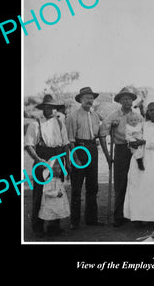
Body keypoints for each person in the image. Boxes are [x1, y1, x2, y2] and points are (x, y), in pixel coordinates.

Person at [25, 94, 70, 238]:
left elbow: (66, 144)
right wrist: (38, 160)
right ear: (43, 107)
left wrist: (67, 164)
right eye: (47, 106)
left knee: (57, 192)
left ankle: (54, 226)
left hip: (58, 162)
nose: (50, 109)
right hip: (42, 161)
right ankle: (38, 227)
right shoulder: (36, 124)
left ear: (56, 109)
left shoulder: (60, 123)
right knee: (40, 193)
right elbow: (28, 145)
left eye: (53, 107)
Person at [99, 87, 143, 227]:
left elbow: (145, 132)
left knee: (137, 181)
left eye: (129, 98)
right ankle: (118, 215)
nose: (127, 101)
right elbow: (102, 134)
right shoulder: (113, 115)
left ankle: (135, 214)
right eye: (124, 99)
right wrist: (107, 155)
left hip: (136, 149)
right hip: (121, 149)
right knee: (120, 183)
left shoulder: (137, 116)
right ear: (119, 101)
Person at [123, 102, 154, 225]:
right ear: (147, 112)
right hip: (140, 157)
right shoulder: (143, 124)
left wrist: (144, 142)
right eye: (150, 110)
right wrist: (132, 143)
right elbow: (134, 134)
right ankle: (139, 216)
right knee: (139, 186)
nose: (152, 112)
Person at [66, 87, 105, 229]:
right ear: (80, 99)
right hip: (79, 148)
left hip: (92, 149)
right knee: (76, 187)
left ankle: (91, 219)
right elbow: (70, 140)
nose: (89, 100)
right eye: (86, 98)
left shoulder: (95, 116)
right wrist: (75, 158)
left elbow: (100, 133)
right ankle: (74, 221)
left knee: (92, 186)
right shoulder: (73, 116)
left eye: (91, 98)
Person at [38, 159, 70, 236]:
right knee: (51, 215)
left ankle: (57, 228)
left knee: (57, 214)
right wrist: (56, 193)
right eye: (56, 169)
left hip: (58, 201)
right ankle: (50, 230)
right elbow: (46, 192)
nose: (59, 171)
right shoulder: (49, 180)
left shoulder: (58, 179)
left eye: (59, 169)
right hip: (51, 202)